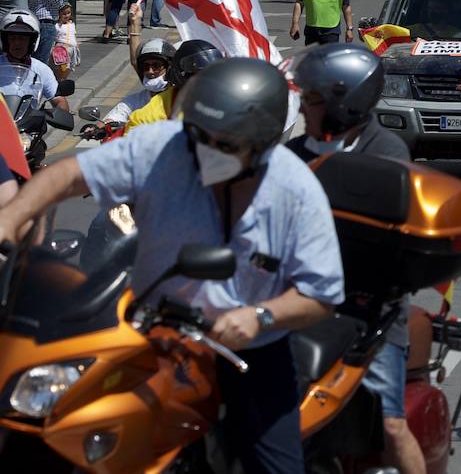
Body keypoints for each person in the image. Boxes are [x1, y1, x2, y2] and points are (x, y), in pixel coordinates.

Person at [0, 58, 345, 474]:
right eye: (198, 134)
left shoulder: (296, 191)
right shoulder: (165, 145)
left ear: (261, 142)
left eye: (223, 143)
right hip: (147, 330)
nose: (204, 150)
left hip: (243, 349)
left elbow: (320, 294)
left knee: (273, 466)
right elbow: (69, 175)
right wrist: (10, 218)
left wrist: (259, 316)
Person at [283, 44, 422, 474]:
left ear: (344, 102)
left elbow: (392, 230)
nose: (302, 107)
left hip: (368, 312)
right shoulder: (290, 155)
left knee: (391, 423)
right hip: (296, 306)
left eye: (310, 99)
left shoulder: (386, 152)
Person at [125, 37, 225, 129]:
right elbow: (134, 133)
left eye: (213, 73)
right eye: (199, 74)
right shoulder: (156, 109)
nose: (151, 71)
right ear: (182, 74)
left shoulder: (230, 95)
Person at [99, 32, 176, 126]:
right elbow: (113, 117)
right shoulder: (135, 100)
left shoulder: (180, 98)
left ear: (169, 68)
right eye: (146, 66)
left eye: (156, 66)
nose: (150, 71)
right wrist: (99, 128)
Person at [0, 11, 68, 112]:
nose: (17, 43)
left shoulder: (41, 69)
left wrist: (59, 111)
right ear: (5, 41)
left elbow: (59, 100)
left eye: (22, 39)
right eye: (12, 38)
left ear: (32, 41)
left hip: (29, 125)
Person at [51, 3, 79, 82]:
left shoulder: (72, 24)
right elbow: (54, 38)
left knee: (69, 67)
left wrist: (77, 45)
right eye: (64, 14)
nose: (66, 15)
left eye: (68, 13)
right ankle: (59, 80)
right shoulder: (57, 26)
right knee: (62, 66)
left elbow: (73, 35)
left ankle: (63, 79)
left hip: (72, 49)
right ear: (59, 14)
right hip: (61, 49)